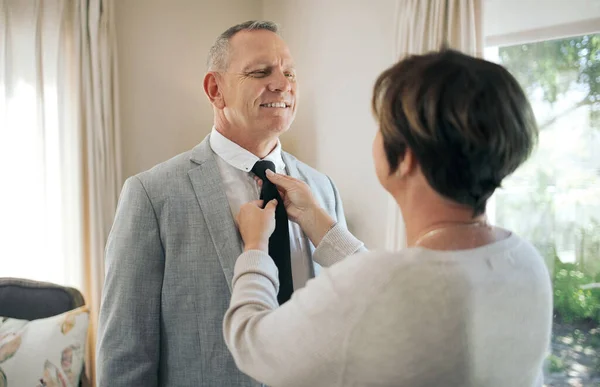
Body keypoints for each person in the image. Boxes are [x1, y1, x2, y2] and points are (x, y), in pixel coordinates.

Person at [224, 49, 553, 387]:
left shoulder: (377, 287)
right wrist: (319, 222)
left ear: (406, 157)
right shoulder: (526, 263)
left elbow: (251, 343)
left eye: (383, 126)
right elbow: (393, 292)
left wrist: (255, 248)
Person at [96, 21, 348, 387]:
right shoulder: (151, 195)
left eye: (289, 72)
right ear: (216, 90)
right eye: (261, 72)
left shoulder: (324, 190)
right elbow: (125, 354)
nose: (282, 83)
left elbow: (352, 318)